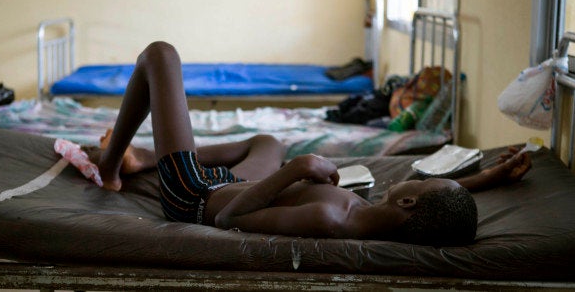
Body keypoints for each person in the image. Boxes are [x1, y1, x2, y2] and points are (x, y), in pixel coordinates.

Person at [94, 41, 532, 246]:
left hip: (195, 194)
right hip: (233, 183)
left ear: (409, 205)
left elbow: (227, 219)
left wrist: (299, 167)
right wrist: (490, 175)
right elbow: (439, 205)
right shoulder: (378, 214)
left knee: (160, 56)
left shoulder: (331, 218)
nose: (417, 178)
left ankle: (112, 168)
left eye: (423, 185)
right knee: (268, 139)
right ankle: (147, 156)